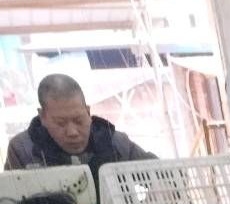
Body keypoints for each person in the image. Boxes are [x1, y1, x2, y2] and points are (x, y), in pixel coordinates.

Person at [4, 74, 154, 189]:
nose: (72, 132)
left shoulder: (114, 142)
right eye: (61, 123)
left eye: (78, 120)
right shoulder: (23, 150)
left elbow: (159, 174)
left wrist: (156, 195)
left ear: (88, 112)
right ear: (42, 117)